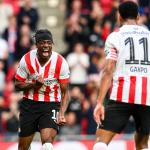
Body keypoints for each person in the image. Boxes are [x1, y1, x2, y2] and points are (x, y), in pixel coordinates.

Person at [93, 1, 150, 150]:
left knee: (100, 143)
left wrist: (99, 102)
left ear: (119, 17)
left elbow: (108, 70)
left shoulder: (115, 36)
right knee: (143, 145)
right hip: (147, 96)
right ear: (138, 17)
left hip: (121, 95)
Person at [15, 29, 70, 150]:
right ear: (36, 45)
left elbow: (66, 92)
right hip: (29, 105)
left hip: (51, 104)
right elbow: (17, 84)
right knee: (22, 147)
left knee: (47, 145)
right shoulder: (27, 59)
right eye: (42, 43)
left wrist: (62, 112)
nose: (46, 46)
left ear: (52, 44)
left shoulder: (61, 62)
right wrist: (34, 85)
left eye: (49, 43)